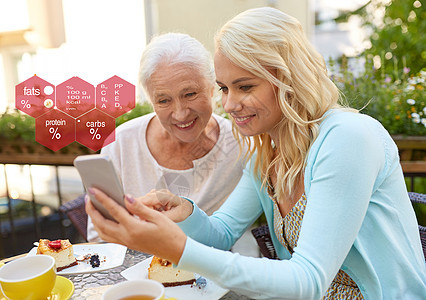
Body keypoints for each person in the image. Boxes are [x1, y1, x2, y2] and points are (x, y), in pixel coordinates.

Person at [86, 7, 426, 299]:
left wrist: (178, 248)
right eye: (224, 88)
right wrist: (183, 211)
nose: (230, 104)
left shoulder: (348, 138)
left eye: (245, 86)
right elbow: (221, 234)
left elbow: (307, 280)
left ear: (290, 78)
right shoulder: (267, 152)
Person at [87, 32, 246, 241]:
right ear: (151, 101)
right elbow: (99, 236)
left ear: (211, 88)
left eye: (189, 94)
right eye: (163, 101)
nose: (180, 114)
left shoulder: (242, 143)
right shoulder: (121, 142)